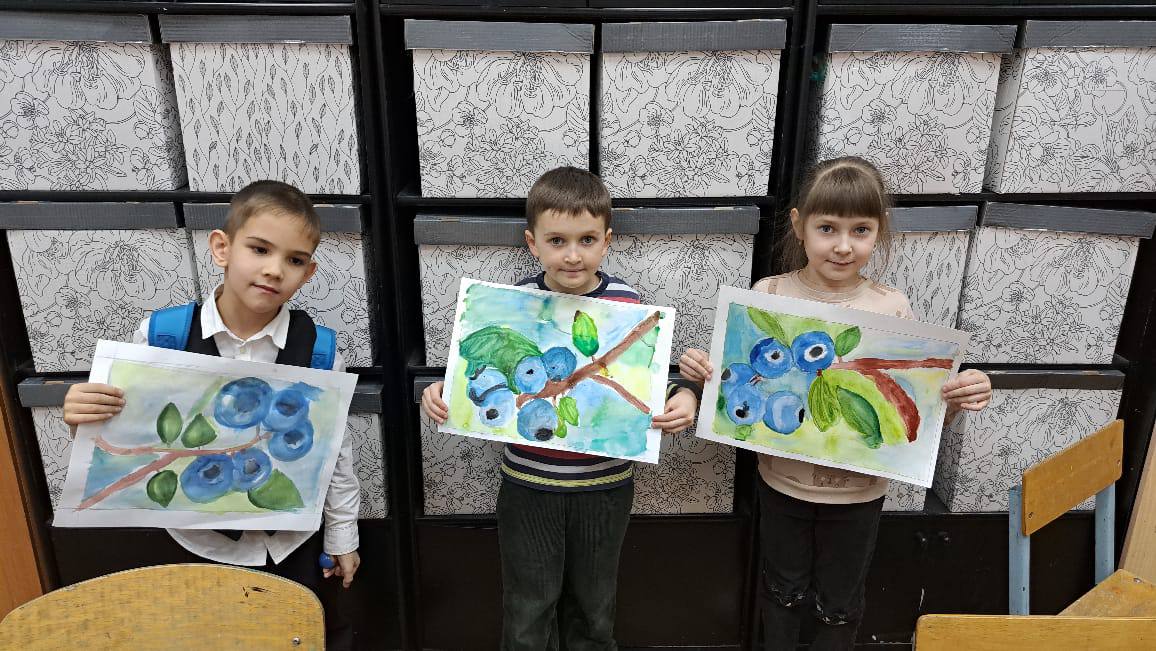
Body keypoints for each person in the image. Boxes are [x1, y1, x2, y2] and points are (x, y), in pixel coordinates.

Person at [679, 156, 993, 650]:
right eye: (827, 228)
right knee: (781, 593)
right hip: (781, 487)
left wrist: (956, 397)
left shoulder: (891, 307)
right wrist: (704, 377)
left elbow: (913, 416)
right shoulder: (768, 295)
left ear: (879, 231)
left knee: (840, 605)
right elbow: (740, 387)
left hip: (859, 497)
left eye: (860, 230)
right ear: (798, 225)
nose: (843, 246)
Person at [62, 180, 360, 649]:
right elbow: (123, 431)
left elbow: (335, 453)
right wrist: (82, 416)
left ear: (308, 273)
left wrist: (342, 534)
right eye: (259, 249)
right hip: (192, 544)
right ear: (222, 248)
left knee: (303, 635)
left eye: (294, 260)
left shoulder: (319, 352)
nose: (274, 269)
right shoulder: (161, 336)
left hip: (292, 547)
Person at [421, 166, 699, 650]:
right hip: (528, 486)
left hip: (606, 488)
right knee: (528, 608)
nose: (573, 255)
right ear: (533, 243)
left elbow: (647, 380)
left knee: (594, 608)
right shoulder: (513, 305)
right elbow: (481, 377)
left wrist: (684, 395)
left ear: (607, 241)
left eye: (587, 240)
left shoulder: (628, 304)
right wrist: (443, 393)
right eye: (557, 241)